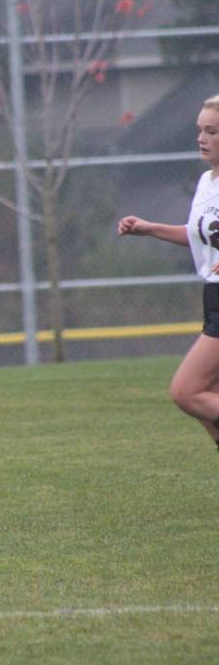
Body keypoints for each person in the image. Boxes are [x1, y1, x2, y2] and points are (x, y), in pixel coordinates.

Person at [117, 93, 219, 451]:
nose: (201, 138)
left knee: (187, 391)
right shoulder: (208, 182)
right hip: (212, 297)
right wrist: (149, 228)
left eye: (212, 131)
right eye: (200, 130)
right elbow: (199, 237)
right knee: (210, 406)